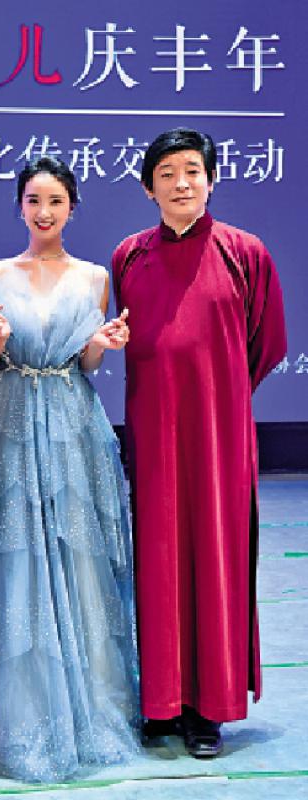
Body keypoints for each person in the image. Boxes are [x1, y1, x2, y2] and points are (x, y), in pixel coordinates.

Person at [0, 157, 140, 782]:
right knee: (9, 557)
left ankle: (85, 705)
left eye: (55, 201)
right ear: (19, 206)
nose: (44, 212)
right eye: (33, 200)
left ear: (73, 207)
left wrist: (102, 345)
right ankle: (6, 712)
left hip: (72, 425)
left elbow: (88, 365)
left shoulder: (96, 277)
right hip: (7, 425)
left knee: (75, 552)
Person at [112, 128, 287, 758]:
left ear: (211, 179)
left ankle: (208, 709)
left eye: (192, 170)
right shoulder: (128, 256)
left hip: (220, 438)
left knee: (216, 561)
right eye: (166, 173)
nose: (181, 183)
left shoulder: (246, 252)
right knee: (158, 563)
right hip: (154, 437)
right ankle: (162, 704)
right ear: (148, 188)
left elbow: (267, 343)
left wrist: (220, 393)